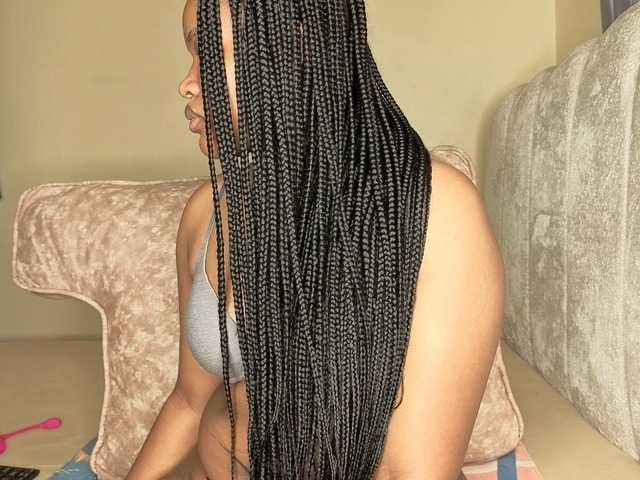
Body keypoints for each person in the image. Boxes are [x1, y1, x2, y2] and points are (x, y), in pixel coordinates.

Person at [126, 0, 505, 479]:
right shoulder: (207, 211)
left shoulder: (436, 211)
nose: (186, 83)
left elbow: (408, 472)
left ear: (298, 48)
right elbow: (189, 401)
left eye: (210, 52)